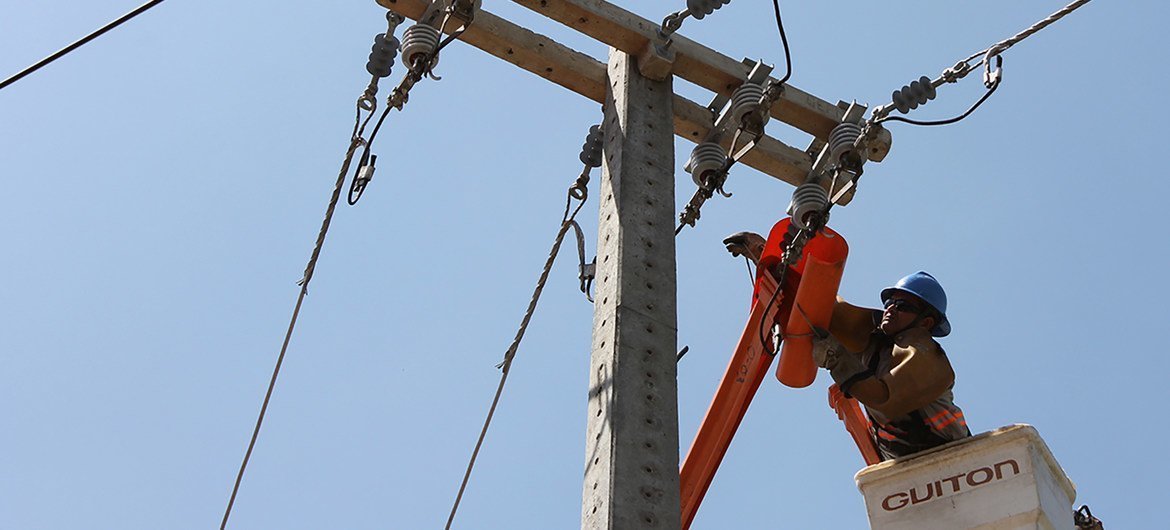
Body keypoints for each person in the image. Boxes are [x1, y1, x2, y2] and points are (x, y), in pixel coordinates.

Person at [724, 232, 970, 460]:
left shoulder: (926, 355)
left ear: (925, 322)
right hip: (904, 466)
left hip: (953, 456)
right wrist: (768, 254)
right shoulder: (877, 338)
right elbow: (823, 306)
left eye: (903, 306)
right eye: (891, 302)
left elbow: (884, 400)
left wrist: (836, 359)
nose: (891, 308)